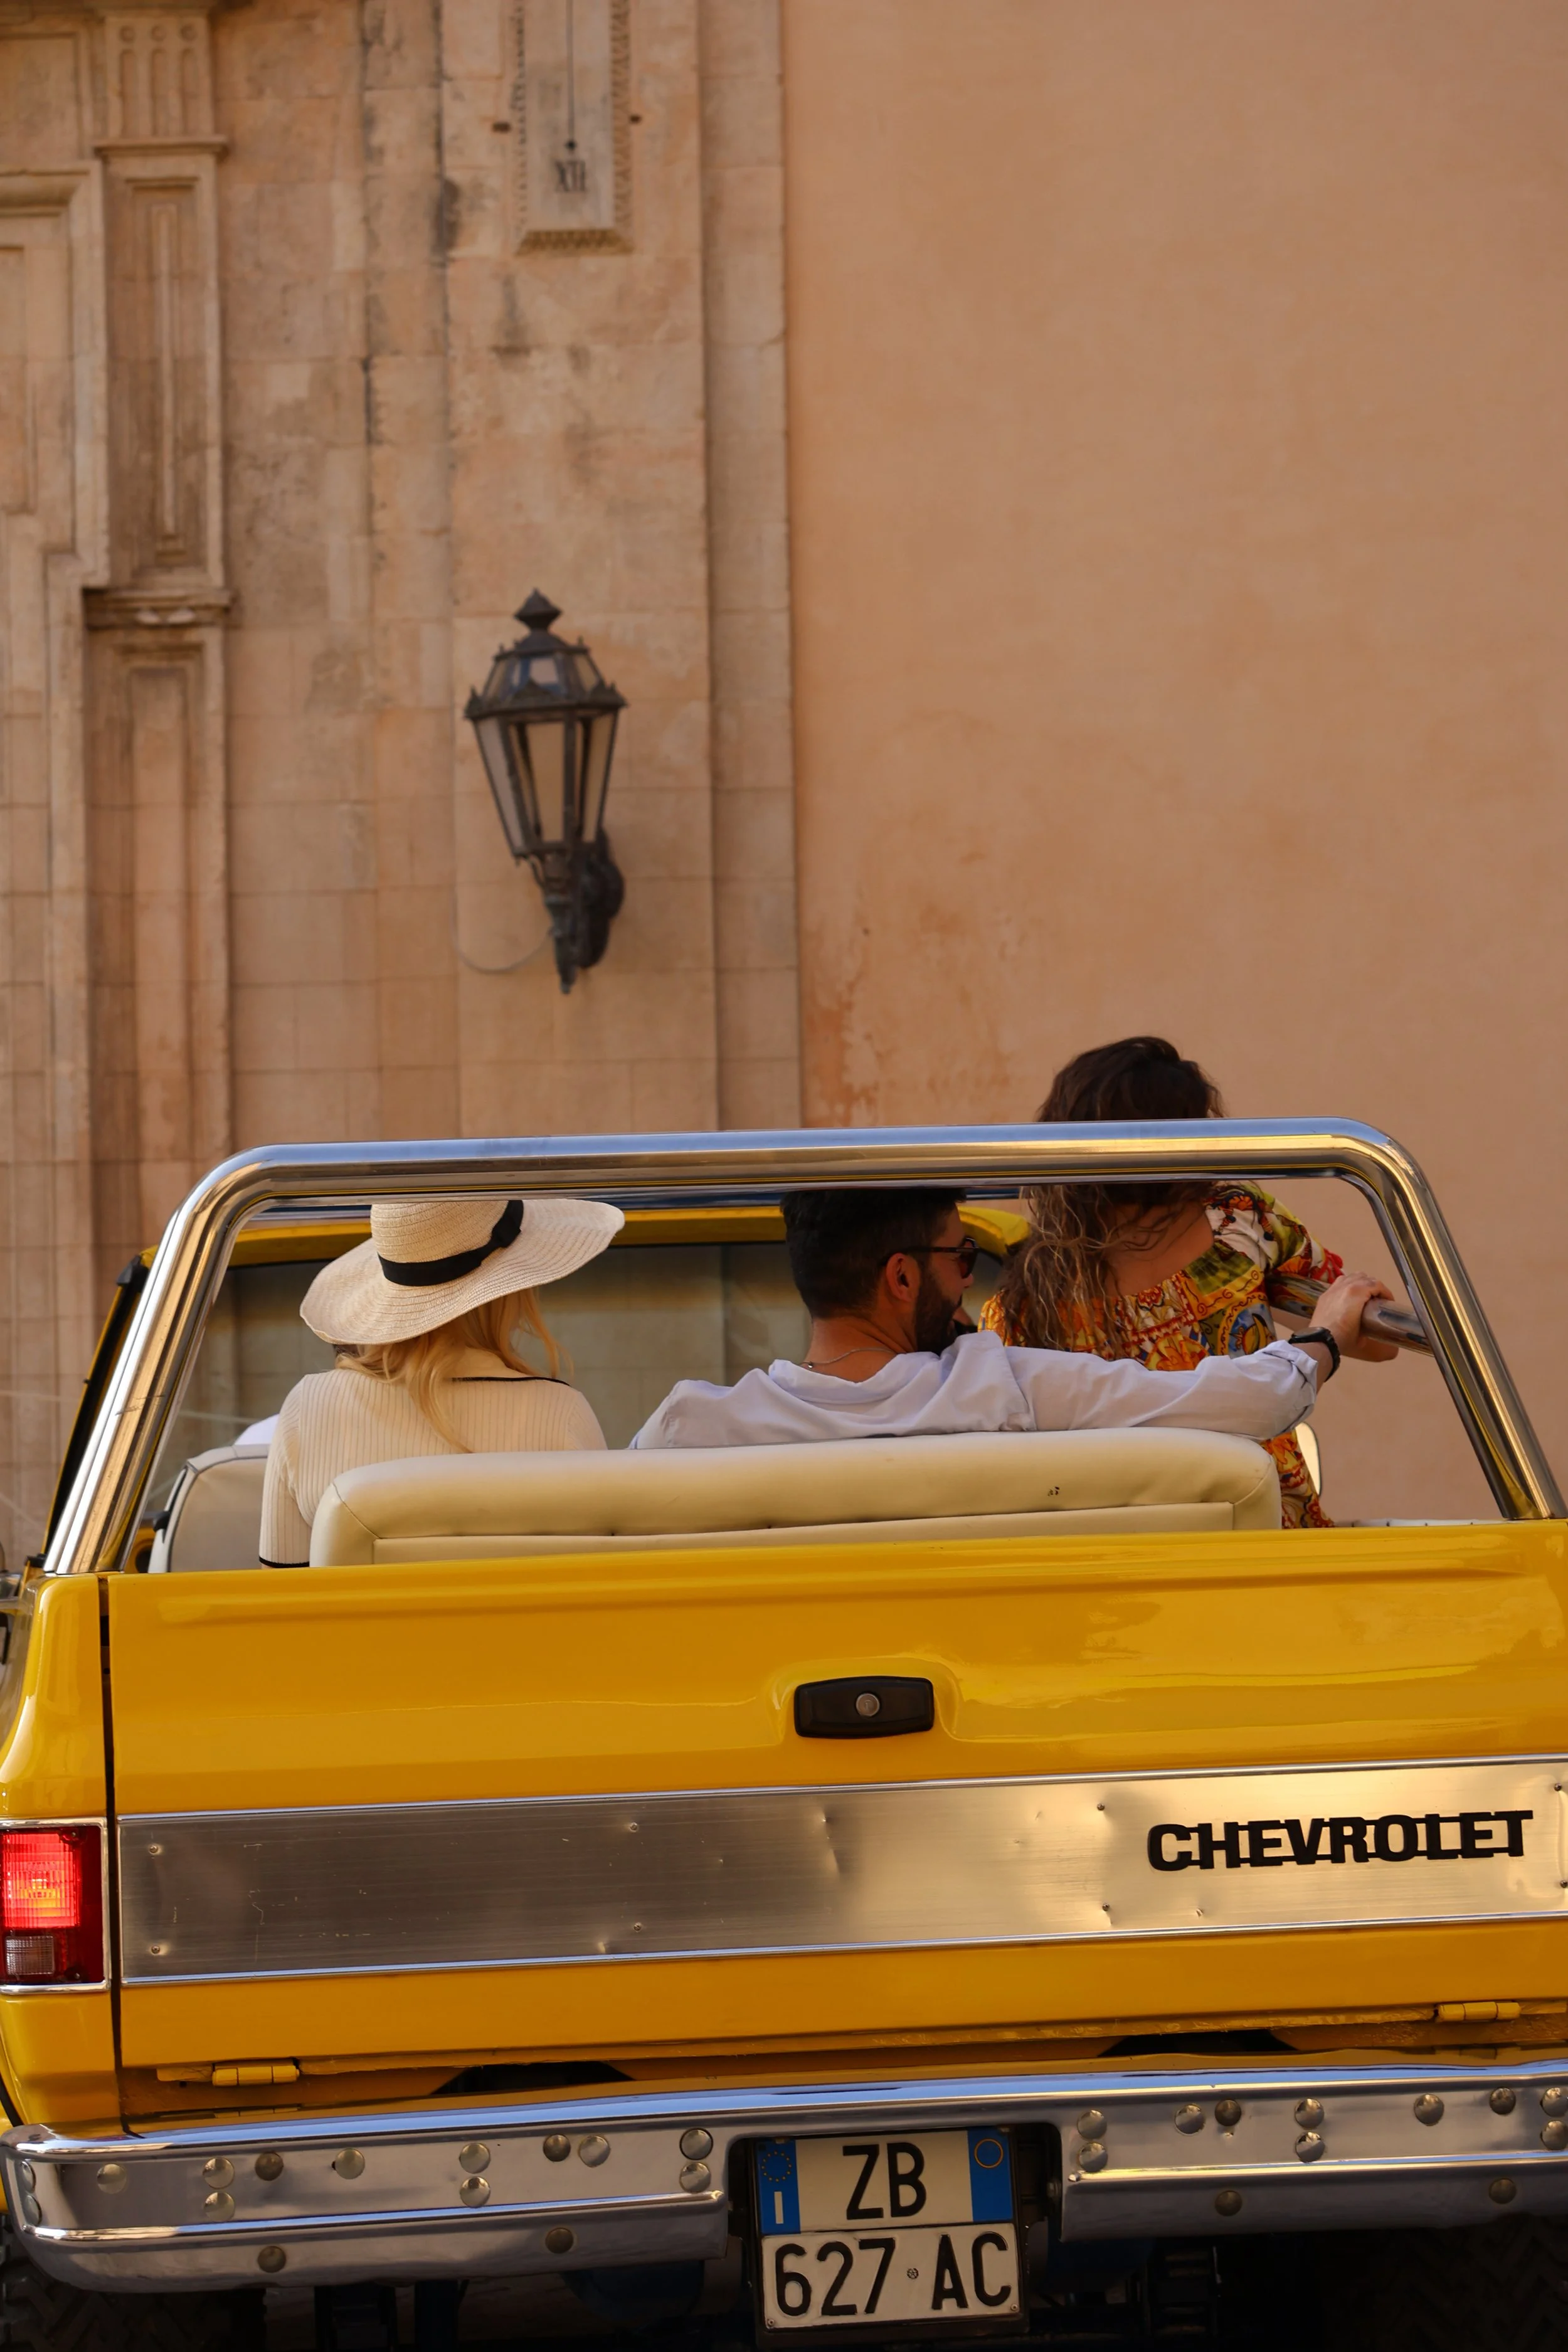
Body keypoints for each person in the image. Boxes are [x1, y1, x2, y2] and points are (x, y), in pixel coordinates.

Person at [978, 1036, 1395, 1526]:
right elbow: (1376, 1341)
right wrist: (1333, 1327)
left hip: (1124, 1558)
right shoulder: (1239, 1220)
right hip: (1272, 1531)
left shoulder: (1023, 1299)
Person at [630, 1187, 1390, 1455]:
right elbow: (1244, 1401)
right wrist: (1325, 1335)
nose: (970, 1280)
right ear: (901, 1277)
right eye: (962, 1257)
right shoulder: (1004, 1387)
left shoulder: (692, 1427)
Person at [259, 1193, 622, 1565]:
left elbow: (282, 1590)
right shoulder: (560, 1414)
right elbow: (594, 1586)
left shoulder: (309, 1408)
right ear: (510, 1294)